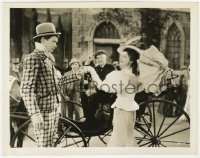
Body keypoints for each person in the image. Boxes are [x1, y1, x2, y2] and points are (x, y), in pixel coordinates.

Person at [20, 22, 80, 147]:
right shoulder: (33, 58)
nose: (56, 45)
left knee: (51, 145)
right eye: (53, 41)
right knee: (44, 148)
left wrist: (76, 75)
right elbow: (26, 89)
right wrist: (35, 114)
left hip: (53, 110)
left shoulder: (47, 58)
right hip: (43, 112)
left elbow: (56, 83)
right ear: (43, 39)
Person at [81, 50, 116, 125]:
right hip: (97, 90)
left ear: (105, 58)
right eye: (97, 58)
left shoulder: (111, 68)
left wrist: (95, 89)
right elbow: (88, 77)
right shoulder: (96, 68)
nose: (99, 59)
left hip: (108, 92)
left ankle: (91, 120)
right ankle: (88, 117)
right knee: (84, 95)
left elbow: (109, 82)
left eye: (101, 57)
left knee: (92, 97)